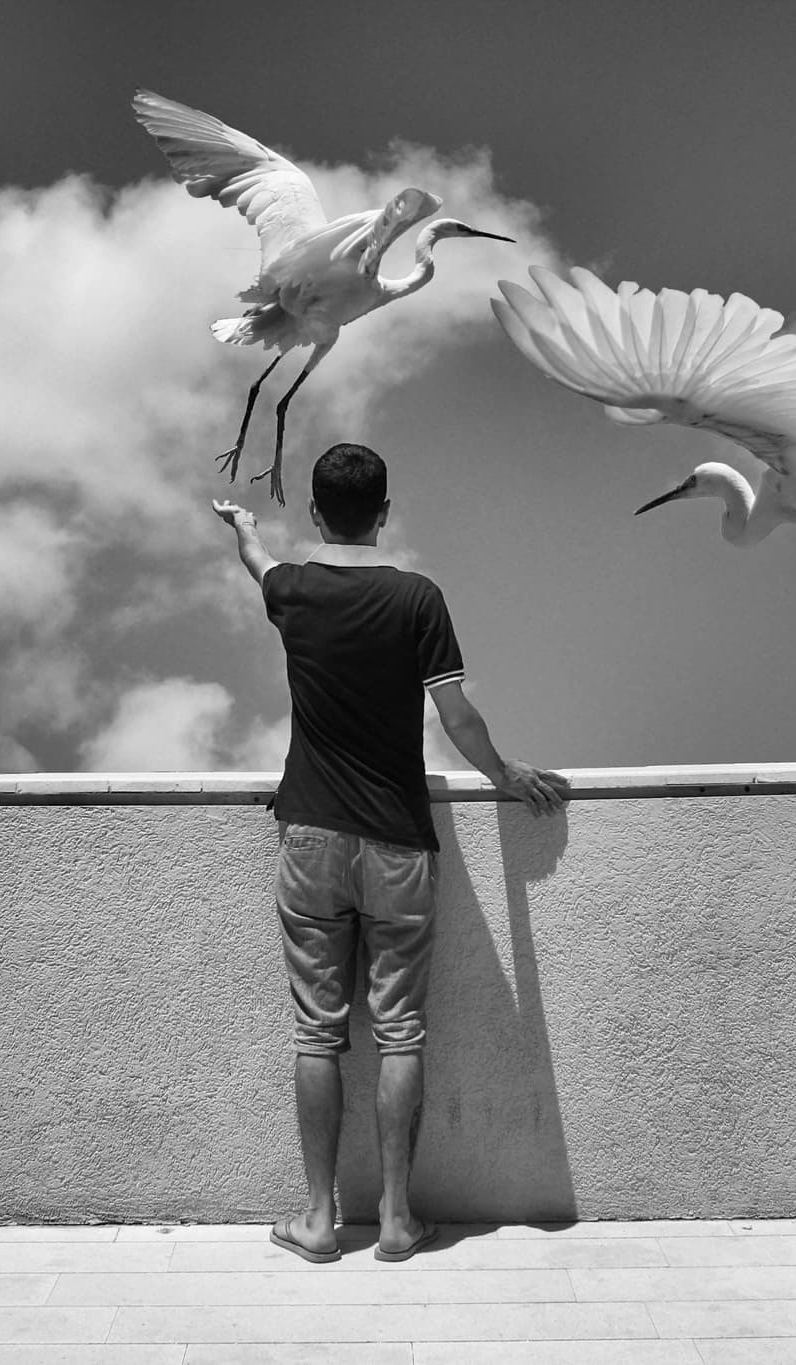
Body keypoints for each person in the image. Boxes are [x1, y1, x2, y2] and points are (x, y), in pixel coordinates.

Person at [213, 441, 569, 1265]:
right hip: (399, 843)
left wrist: (239, 523)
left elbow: (256, 558)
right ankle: (400, 1220)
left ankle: (316, 1219)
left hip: (310, 836)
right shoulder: (418, 599)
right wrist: (507, 775)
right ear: (384, 511)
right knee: (400, 1031)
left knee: (317, 1033)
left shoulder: (293, 590)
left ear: (314, 510)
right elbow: (455, 713)